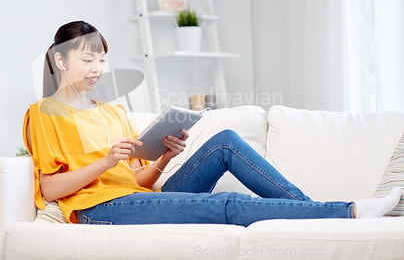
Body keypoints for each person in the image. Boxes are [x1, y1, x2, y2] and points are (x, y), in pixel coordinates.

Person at [23, 20, 402, 226]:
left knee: (224, 141)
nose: (97, 69)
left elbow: (138, 182)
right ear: (61, 61)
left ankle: (312, 213)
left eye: (101, 60)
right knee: (228, 203)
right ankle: (345, 212)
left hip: (137, 198)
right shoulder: (44, 113)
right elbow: (52, 189)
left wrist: (163, 159)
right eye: (87, 60)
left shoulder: (113, 112)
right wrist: (105, 162)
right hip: (98, 210)